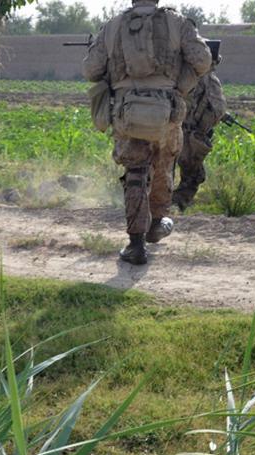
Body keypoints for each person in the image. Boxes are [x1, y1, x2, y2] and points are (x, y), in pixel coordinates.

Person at [83, 0, 211, 265]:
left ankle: (136, 244)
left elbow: (91, 71)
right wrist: (179, 88)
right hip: (167, 110)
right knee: (164, 166)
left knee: (135, 173)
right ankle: (155, 224)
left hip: (126, 112)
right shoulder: (177, 22)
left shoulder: (113, 26)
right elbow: (202, 60)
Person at [173, 44, 227, 212]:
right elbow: (217, 109)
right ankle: (176, 204)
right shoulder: (210, 80)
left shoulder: (182, 75)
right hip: (191, 135)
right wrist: (204, 129)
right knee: (194, 175)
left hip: (172, 129)